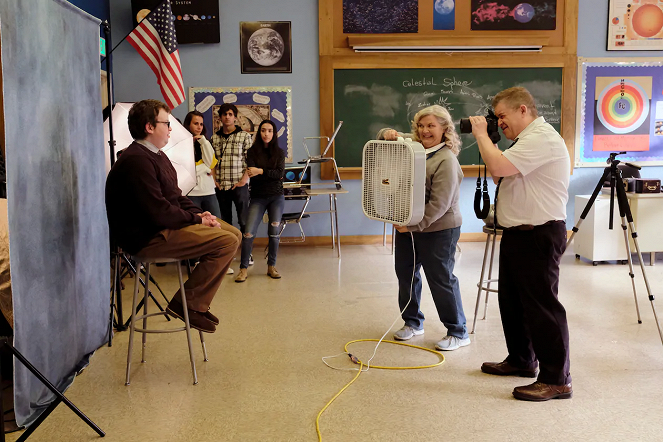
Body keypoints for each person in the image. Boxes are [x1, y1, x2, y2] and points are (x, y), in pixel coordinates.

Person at [469, 86, 572, 401]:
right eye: (496, 118)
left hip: (539, 234)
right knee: (512, 303)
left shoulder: (542, 139)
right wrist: (493, 141)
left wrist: (480, 134)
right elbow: (503, 176)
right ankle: (522, 360)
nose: (499, 123)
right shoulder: (523, 142)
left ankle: (557, 379)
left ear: (523, 110)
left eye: (502, 116)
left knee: (542, 308)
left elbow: (497, 168)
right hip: (517, 233)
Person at [105, 99, 241, 333]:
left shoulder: (157, 156)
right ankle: (187, 304)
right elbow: (159, 213)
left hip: (161, 227)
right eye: (166, 123)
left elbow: (176, 197)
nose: (170, 128)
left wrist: (201, 214)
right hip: (146, 238)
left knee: (234, 233)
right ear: (149, 127)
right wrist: (197, 221)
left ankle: (194, 302)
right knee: (226, 242)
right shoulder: (136, 160)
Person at [378, 105, 470, 351]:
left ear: (444, 129)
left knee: (440, 278)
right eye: (421, 125)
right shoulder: (414, 148)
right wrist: (387, 132)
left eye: (431, 125)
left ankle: (458, 332)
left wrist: (413, 225)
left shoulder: (446, 160)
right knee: (406, 273)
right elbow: (386, 138)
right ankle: (413, 322)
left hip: (439, 228)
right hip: (409, 226)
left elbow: (440, 204)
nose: (425, 130)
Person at [235, 120, 285, 282]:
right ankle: (243, 269)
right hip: (258, 197)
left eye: (269, 131)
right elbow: (250, 172)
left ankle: (271, 266)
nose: (266, 134)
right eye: (263, 130)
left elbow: (279, 174)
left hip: (276, 197)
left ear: (274, 133)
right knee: (248, 233)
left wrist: (261, 171)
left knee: (274, 233)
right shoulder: (252, 152)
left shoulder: (279, 152)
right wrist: (262, 172)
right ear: (259, 132)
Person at [183, 111, 233, 274]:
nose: (198, 127)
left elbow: (211, 162)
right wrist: (203, 168)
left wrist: (203, 141)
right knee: (196, 231)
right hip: (191, 193)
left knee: (217, 225)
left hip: (208, 191)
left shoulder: (205, 141)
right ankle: (196, 262)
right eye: (195, 123)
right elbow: (186, 168)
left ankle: (220, 262)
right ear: (188, 125)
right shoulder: (182, 143)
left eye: (201, 124)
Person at [211, 103, 252, 238]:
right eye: (224, 114)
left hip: (239, 185)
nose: (227, 117)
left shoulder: (244, 136)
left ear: (235, 117)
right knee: (224, 221)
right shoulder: (214, 138)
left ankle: (247, 252)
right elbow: (212, 162)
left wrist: (243, 181)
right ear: (220, 118)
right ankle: (228, 251)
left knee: (244, 220)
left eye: (230, 114)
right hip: (221, 186)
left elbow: (250, 161)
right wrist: (214, 180)